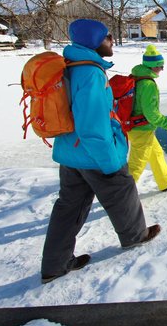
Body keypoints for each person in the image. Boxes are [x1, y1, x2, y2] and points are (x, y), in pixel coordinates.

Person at [41, 19, 160, 284]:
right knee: (123, 188)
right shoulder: (91, 74)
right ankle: (135, 236)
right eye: (107, 37)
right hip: (92, 153)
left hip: (70, 153)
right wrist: (111, 162)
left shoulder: (70, 66)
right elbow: (93, 126)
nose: (112, 40)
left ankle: (54, 265)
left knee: (68, 207)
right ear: (95, 42)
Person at [127, 44, 167, 192]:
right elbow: (151, 113)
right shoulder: (148, 84)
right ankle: (122, 194)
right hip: (141, 129)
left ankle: (165, 181)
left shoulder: (138, 76)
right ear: (152, 66)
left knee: (156, 154)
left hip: (138, 128)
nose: (162, 69)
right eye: (160, 66)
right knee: (137, 164)